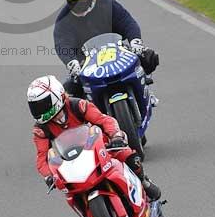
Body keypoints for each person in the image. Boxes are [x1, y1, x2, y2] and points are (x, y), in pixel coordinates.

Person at [28, 75, 161, 200]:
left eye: (43, 104)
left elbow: (104, 120)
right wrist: (49, 175)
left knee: (127, 155)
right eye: (36, 107)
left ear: (57, 96)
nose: (40, 111)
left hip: (98, 149)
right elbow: (42, 158)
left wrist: (115, 136)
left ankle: (143, 181)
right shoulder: (41, 129)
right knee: (70, 193)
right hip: (70, 162)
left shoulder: (77, 105)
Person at [53, 0, 159, 97]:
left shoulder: (107, 4)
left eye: (81, 2)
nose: (77, 6)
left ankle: (145, 90)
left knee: (149, 57)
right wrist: (72, 62)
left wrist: (136, 42)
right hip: (86, 61)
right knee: (69, 90)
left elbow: (127, 22)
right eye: (72, 2)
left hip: (117, 50)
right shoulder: (63, 19)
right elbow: (61, 43)